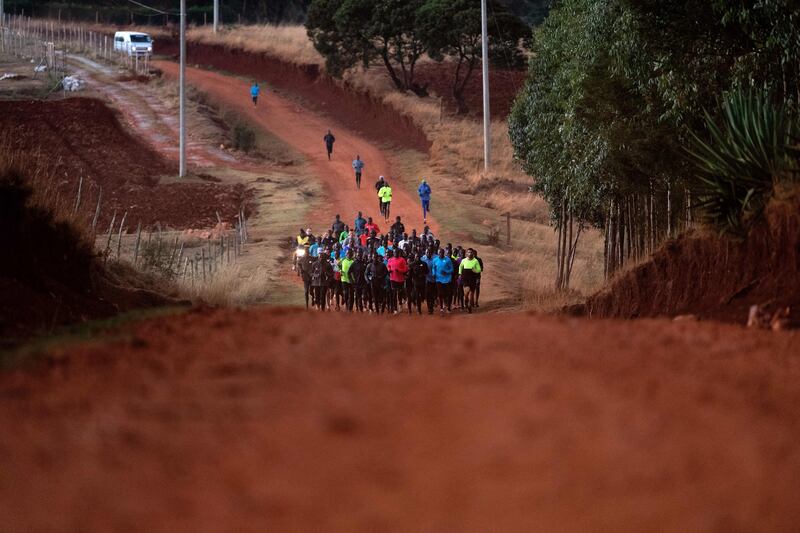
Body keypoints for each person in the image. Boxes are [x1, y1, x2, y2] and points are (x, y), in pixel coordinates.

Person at [459, 248, 482, 313]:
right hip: (465, 277)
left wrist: (475, 270)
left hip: (473, 278)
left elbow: (479, 269)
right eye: (468, 252)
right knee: (466, 293)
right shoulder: (463, 260)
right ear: (466, 253)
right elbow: (460, 267)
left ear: (473, 253)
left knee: (472, 294)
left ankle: (469, 307)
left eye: (471, 252)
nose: (470, 253)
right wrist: (460, 274)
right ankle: (466, 300)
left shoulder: (476, 261)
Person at [386, 249, 408, 314]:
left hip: (400, 279)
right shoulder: (390, 260)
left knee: (400, 293)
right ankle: (395, 309)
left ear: (399, 253)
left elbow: (405, 269)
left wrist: (399, 270)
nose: (396, 253)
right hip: (393, 279)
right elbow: (388, 266)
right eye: (395, 252)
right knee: (394, 294)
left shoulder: (402, 260)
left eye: (397, 252)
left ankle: (400, 303)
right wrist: (389, 270)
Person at [432, 248, 454, 314]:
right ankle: (441, 308)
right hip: (438, 279)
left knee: (448, 294)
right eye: (439, 253)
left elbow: (451, 269)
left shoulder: (448, 260)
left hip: (447, 280)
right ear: (438, 253)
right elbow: (433, 268)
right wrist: (433, 273)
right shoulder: (435, 260)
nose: (440, 254)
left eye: (441, 253)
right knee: (440, 294)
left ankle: (449, 307)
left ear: (443, 253)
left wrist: (446, 272)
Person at [420, 248, 437, 315]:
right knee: (427, 295)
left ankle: (431, 308)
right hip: (425, 280)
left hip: (433, 279)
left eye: (429, 253)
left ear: (431, 253)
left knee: (431, 295)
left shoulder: (434, 260)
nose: (428, 254)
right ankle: (429, 307)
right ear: (425, 253)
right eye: (427, 252)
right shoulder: (422, 259)